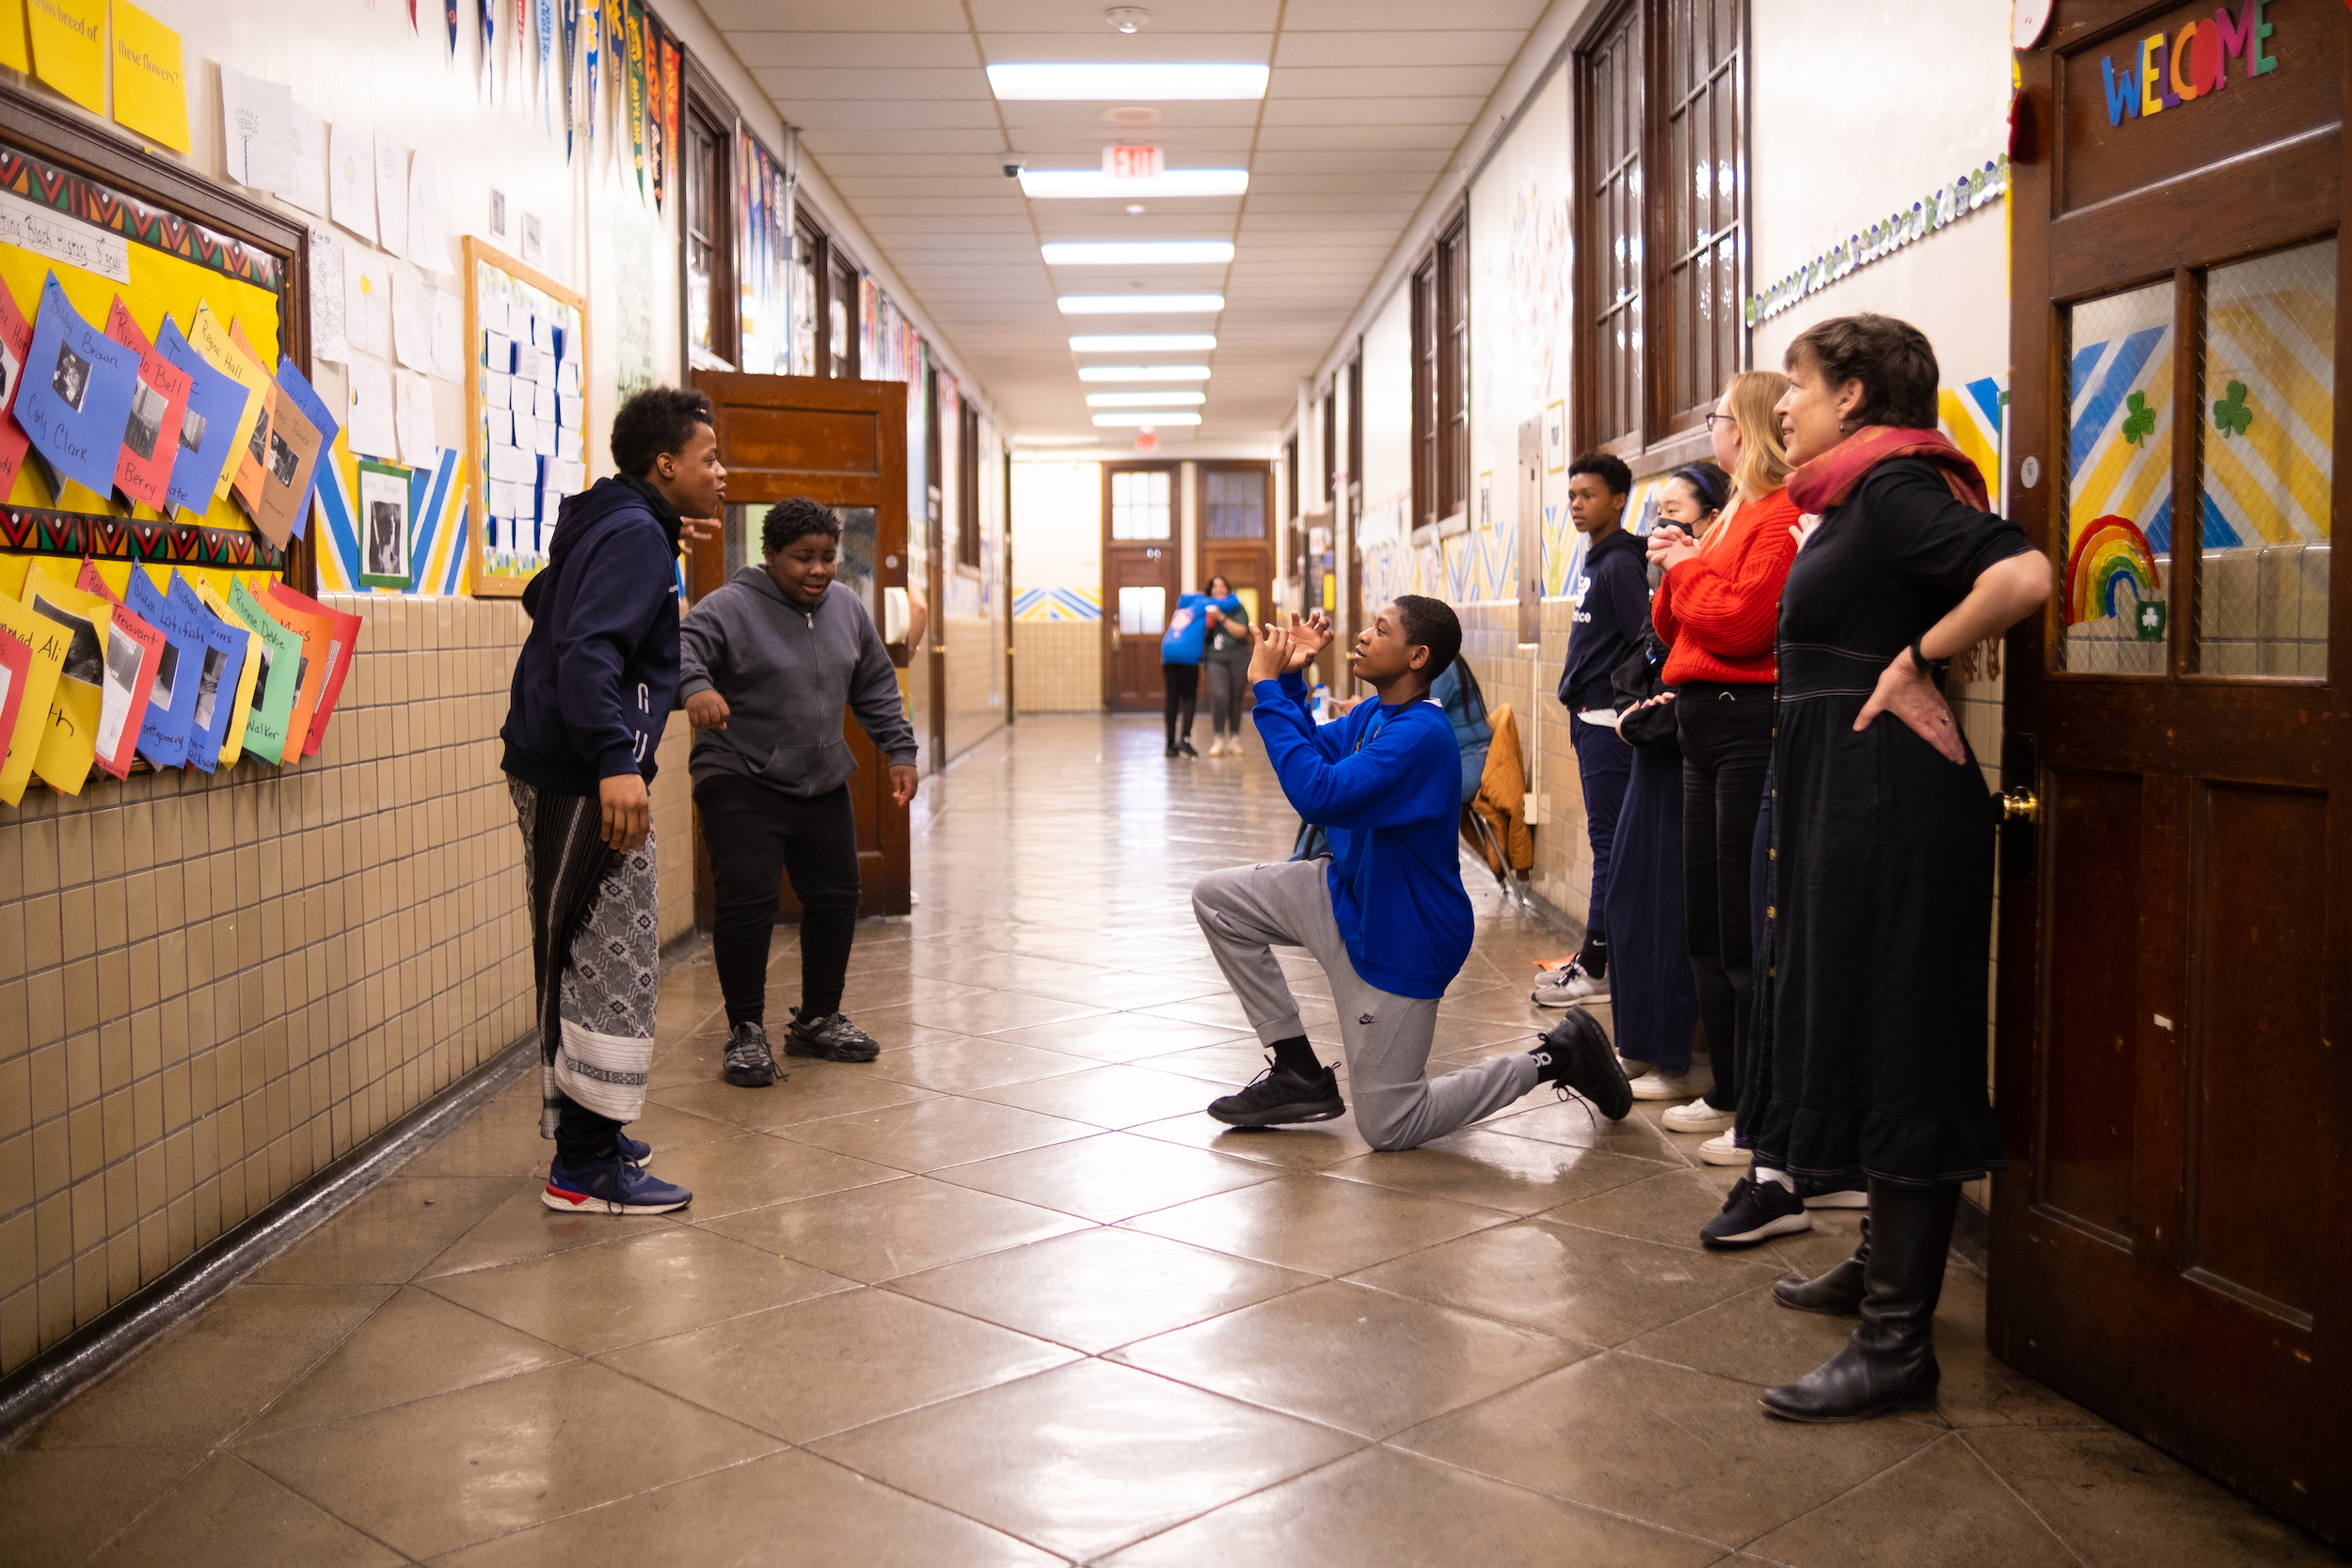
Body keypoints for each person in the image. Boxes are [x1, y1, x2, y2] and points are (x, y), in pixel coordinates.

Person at [1701, 314, 2051, 1426]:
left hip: (1894, 807)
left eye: (1795, 386)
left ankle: (1897, 1341)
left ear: (1852, 394)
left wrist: (1916, 660)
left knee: (1902, 1034)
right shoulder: (1849, 495)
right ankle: (1873, 1264)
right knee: (1854, 1018)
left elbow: (2025, 573)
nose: (1781, 405)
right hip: (1844, 805)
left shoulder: (1899, 485)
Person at [1192, 598, 1632, 1150]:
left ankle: (1557, 1056)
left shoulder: (1421, 737)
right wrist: (1289, 684)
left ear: (1417, 656)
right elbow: (1313, 756)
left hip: (1403, 938)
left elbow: (1317, 794)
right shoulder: (1374, 715)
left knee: (1391, 1124)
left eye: (1380, 629)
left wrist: (1263, 685)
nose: (1362, 636)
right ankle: (1296, 1070)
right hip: (1344, 893)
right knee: (1217, 900)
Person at [501, 386, 725, 1216]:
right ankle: (584, 1167)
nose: (721, 473)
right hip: (580, 769)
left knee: (593, 946)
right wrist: (613, 763)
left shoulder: (615, 520)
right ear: (665, 465)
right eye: (709, 460)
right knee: (606, 956)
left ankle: (590, 1136)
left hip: (563, 760)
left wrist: (657, 536)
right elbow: (587, 647)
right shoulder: (632, 533)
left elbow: (545, 602)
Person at [679, 497, 920, 1087]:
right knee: (748, 902)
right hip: (738, 772)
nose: (817, 570)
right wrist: (695, 687)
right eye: (802, 558)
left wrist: (901, 750)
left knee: (838, 895)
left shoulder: (844, 607)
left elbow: (874, 682)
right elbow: (680, 648)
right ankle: (746, 1031)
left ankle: (817, 1019)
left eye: (828, 558)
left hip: (819, 777)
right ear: (770, 555)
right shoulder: (732, 606)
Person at [1645, 374, 1805, 1180]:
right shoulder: (1734, 514)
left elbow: (1743, 625)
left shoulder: (1777, 516)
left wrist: (1685, 571)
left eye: (1715, 416)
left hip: (1746, 719)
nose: (1710, 428)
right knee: (1706, 915)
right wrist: (1678, 571)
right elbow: (1673, 624)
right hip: (1700, 715)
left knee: (1745, 923)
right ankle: (1728, 1088)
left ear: (1741, 426)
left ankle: (1756, 1108)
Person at [1594, 473, 1719, 1095]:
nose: (1659, 528)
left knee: (1671, 906)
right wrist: (1636, 707)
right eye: (1657, 514)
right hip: (1649, 755)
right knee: (1628, 900)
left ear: (1709, 521)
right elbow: (1639, 664)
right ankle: (1637, 1043)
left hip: (1685, 760)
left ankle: (1676, 1057)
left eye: (1674, 513)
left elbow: (1697, 668)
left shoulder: (1709, 583)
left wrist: (1657, 708)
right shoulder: (1663, 588)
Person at [1532, 452, 1645, 1006]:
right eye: (1572, 495)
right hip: (1589, 719)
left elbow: (1646, 641)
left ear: (1619, 499)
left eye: (1588, 495)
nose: (1576, 505)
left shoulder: (1621, 565)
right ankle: (1596, 956)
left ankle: (1598, 967)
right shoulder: (1598, 561)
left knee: (1609, 845)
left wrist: (1622, 703)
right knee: (1607, 842)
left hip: (1607, 721)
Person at [1199, 575, 1253, 755]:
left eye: (1222, 586)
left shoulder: (1237, 608)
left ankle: (1235, 739)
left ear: (1228, 589)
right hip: (1215, 658)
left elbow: (1242, 632)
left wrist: (1221, 617)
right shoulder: (1203, 609)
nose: (1219, 589)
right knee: (1220, 697)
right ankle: (1218, 738)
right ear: (1210, 590)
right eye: (1215, 586)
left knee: (1236, 699)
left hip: (1238, 656)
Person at [1160, 582, 1216, 757]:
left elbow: (1184, 595)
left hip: (1168, 654)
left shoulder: (1183, 606)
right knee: (1189, 698)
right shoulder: (1205, 604)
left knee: (1172, 699)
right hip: (1187, 657)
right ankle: (1184, 739)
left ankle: (1169, 744)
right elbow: (1232, 602)